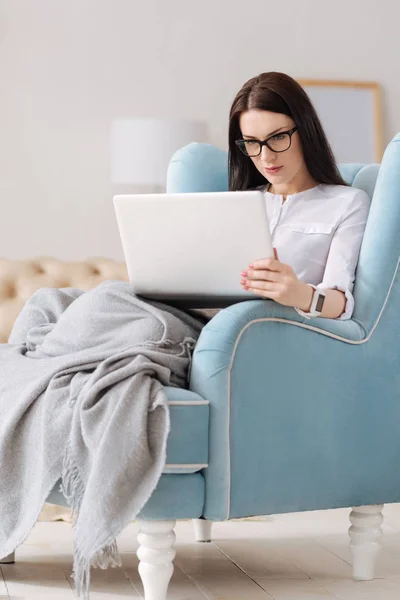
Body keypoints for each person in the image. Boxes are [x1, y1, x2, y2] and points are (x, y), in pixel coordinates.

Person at [229, 72, 370, 320]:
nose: (266, 157)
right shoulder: (236, 204)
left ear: (305, 131)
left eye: (278, 137)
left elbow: (340, 303)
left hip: (269, 330)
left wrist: (300, 294)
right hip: (207, 321)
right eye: (252, 142)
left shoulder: (347, 203)